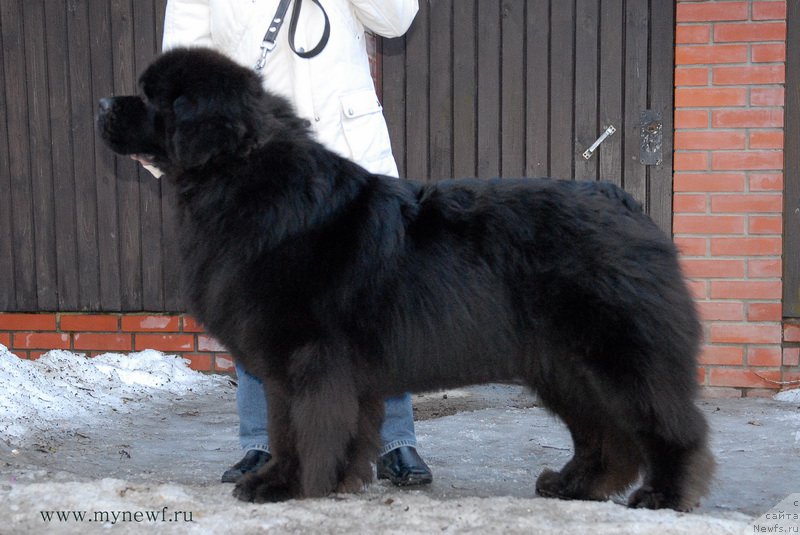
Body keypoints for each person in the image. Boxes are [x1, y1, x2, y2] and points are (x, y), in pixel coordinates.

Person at [159, 0, 432, 487]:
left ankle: (395, 440)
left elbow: (397, 19)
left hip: (349, 155)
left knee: (374, 307)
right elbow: (182, 70)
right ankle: (263, 444)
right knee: (260, 306)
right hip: (260, 168)